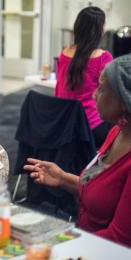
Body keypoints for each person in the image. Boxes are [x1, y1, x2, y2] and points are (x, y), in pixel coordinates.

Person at [25, 54, 131, 248]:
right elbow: (104, 195)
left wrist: (59, 244)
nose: (93, 95)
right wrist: (63, 178)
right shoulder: (117, 132)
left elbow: (119, 239)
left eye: (101, 88)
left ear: (123, 100)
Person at [55, 6, 113, 148]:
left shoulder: (64, 53)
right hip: (91, 128)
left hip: (63, 125)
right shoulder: (103, 58)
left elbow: (58, 90)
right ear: (98, 31)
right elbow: (112, 96)